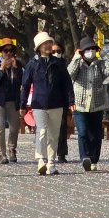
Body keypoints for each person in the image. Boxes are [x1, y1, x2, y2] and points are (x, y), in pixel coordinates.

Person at [20, 32, 75, 176]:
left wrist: (71, 101)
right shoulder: (32, 64)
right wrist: (22, 104)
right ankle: (41, 160)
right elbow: (25, 85)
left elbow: (67, 83)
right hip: (38, 104)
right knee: (41, 131)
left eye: (49, 42)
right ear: (38, 47)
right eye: (45, 43)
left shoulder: (58, 63)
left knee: (53, 134)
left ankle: (51, 162)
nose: (48, 45)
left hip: (57, 103)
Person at [68, 36, 109, 172]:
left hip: (97, 104)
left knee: (95, 134)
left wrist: (103, 54)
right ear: (81, 51)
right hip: (80, 105)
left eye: (92, 49)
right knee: (82, 131)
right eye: (87, 49)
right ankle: (85, 157)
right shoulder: (78, 64)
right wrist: (75, 57)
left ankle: (94, 159)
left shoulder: (99, 64)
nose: (90, 51)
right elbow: (69, 74)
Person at [0, 40, 24, 164]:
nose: (8, 53)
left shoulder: (18, 65)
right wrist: (2, 69)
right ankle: (1, 154)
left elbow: (20, 82)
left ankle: (12, 149)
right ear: (2, 52)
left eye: (11, 50)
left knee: (14, 127)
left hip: (12, 100)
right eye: (6, 50)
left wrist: (15, 68)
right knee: (0, 127)